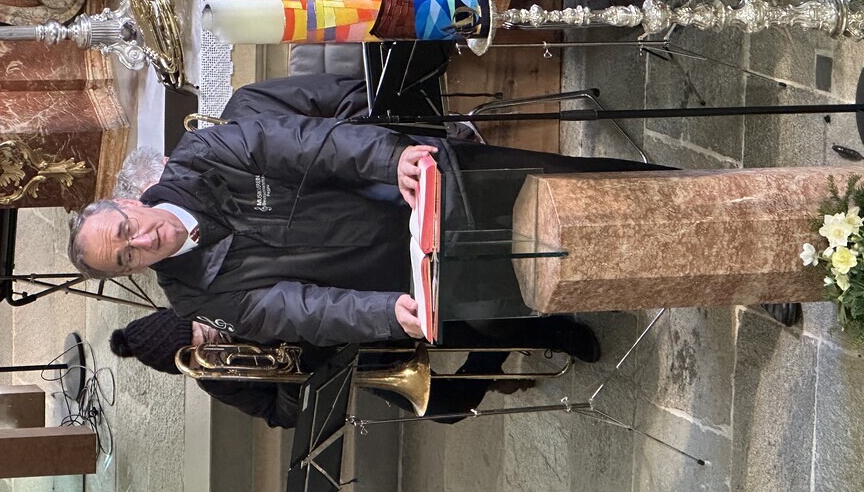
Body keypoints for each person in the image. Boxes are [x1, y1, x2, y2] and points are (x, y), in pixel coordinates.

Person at [68, 74, 665, 348]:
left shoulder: (200, 158)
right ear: (129, 272)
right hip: (397, 269)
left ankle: (679, 192)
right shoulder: (196, 296)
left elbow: (301, 144)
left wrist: (389, 159)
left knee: (563, 186)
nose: (141, 242)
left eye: (126, 229)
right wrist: (385, 313)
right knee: (528, 285)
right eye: (125, 258)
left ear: (128, 203)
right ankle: (655, 275)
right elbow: (298, 310)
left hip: (403, 185)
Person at [109, 306, 594, 427]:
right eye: (196, 350)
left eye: (196, 332)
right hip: (351, 365)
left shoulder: (225, 302)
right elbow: (280, 416)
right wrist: (293, 378)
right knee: (446, 409)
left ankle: (550, 332)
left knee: (459, 328)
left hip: (359, 323)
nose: (207, 342)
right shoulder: (216, 380)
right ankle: (497, 353)